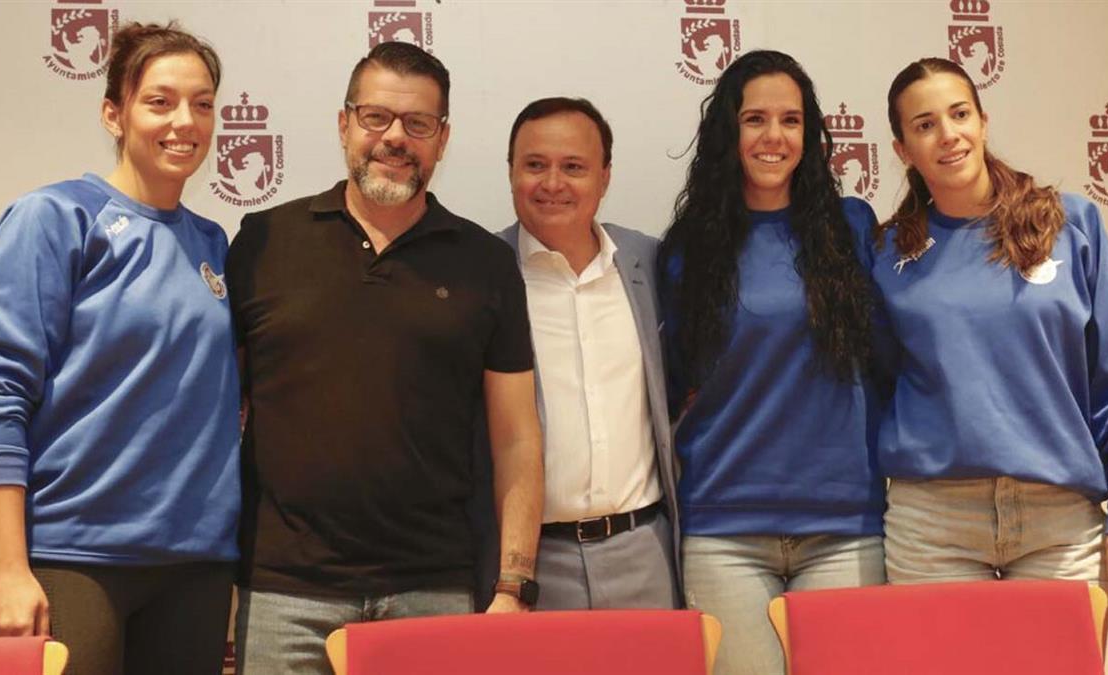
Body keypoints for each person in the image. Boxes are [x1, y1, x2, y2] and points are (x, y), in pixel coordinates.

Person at [227, 41, 543, 675]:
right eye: (376, 117)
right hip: (282, 593)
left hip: (433, 589)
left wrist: (513, 585)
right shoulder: (264, 242)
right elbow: (218, 416)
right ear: (344, 123)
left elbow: (516, 436)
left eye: (418, 123)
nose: (395, 138)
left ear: (442, 139)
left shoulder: (485, 263)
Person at [0, 21, 238, 675]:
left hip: (197, 565)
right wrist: (6, 568)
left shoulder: (214, 243)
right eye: (160, 101)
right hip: (78, 558)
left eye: (202, 104)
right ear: (114, 113)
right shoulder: (56, 218)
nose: (185, 121)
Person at [872, 57, 1108, 597]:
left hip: (1062, 519)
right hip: (932, 523)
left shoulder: (1070, 224)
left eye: (959, 114)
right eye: (925, 124)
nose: (948, 135)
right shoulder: (887, 254)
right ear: (903, 150)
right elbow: (878, 385)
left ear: (983, 121)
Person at [657, 50, 886, 675]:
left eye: (790, 120)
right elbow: (675, 381)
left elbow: (888, 357)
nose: (773, 136)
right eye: (754, 119)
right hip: (725, 528)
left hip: (845, 526)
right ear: (727, 132)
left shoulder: (852, 228)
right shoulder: (687, 251)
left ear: (809, 134)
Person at [497, 97, 679, 610]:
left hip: (645, 552)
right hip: (530, 565)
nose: (552, 183)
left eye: (574, 167)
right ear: (511, 173)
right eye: (535, 165)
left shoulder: (649, 263)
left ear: (605, 177)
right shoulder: (483, 274)